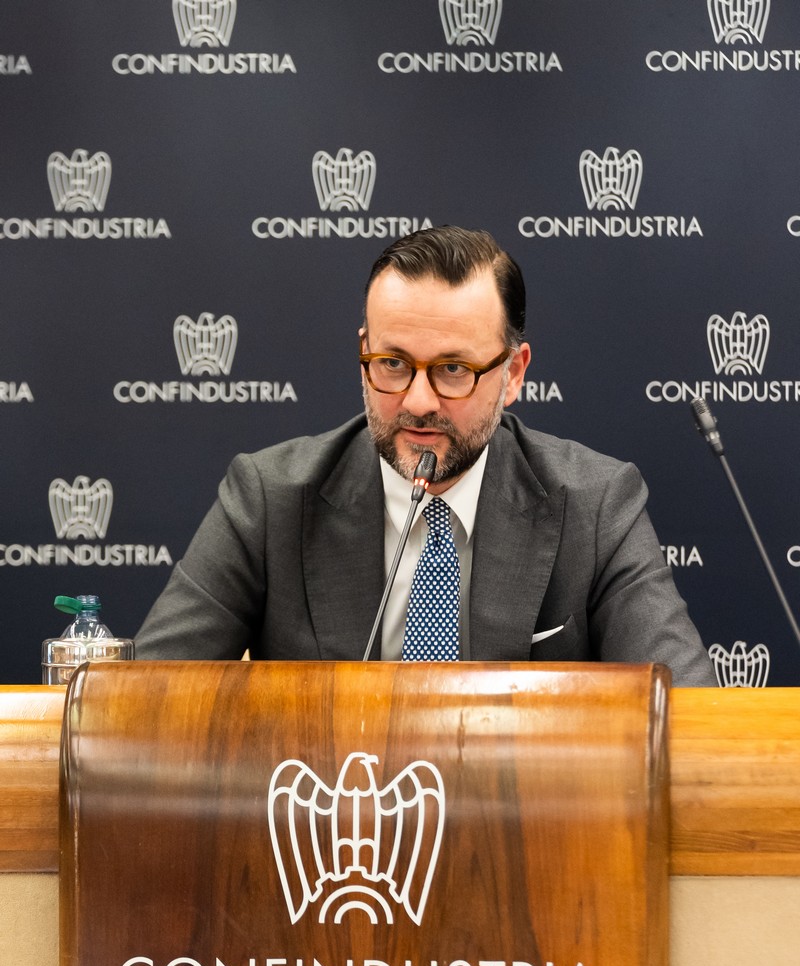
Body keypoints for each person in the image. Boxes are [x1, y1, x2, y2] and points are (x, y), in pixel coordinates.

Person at [136, 225, 716, 685]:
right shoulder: (268, 501)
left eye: (453, 370)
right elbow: (139, 701)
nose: (417, 402)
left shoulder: (596, 507)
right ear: (364, 353)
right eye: (392, 364)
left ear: (513, 374)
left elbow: (687, 714)